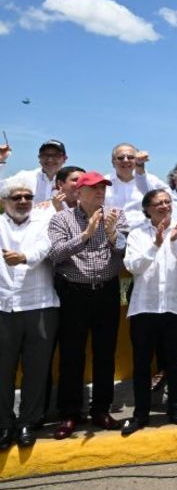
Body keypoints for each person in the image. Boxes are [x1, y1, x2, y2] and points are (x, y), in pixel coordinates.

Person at [47, 171, 128, 439]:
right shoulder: (62, 218)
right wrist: (86, 234)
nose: (100, 193)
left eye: (103, 188)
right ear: (78, 193)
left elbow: (123, 253)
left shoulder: (115, 215)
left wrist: (113, 234)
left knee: (105, 353)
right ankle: (70, 413)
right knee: (72, 354)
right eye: (93, 189)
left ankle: (101, 409)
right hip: (74, 293)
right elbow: (56, 255)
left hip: (106, 292)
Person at [121, 190, 177, 435]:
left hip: (175, 306)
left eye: (167, 202)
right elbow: (133, 267)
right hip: (145, 307)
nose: (164, 206)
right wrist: (156, 243)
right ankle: (140, 414)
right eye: (158, 203)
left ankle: (176, 409)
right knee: (142, 364)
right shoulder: (137, 234)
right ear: (148, 209)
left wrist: (174, 242)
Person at [0, 181, 59, 449]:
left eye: (28, 196)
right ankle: (3, 423)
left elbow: (44, 248)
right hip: (4, 306)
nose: (23, 201)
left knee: (37, 369)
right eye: (16, 197)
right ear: (4, 201)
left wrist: (24, 257)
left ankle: (28, 422)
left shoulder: (43, 222)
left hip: (40, 304)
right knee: (3, 369)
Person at [106, 143, 168, 228]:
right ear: (113, 162)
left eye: (130, 157)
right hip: (112, 234)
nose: (125, 160)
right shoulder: (103, 182)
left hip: (144, 233)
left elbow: (172, 201)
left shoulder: (152, 181)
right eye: (120, 158)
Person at [0, 139, 69, 204]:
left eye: (56, 155)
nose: (50, 159)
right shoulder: (25, 177)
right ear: (39, 158)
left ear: (65, 159)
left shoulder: (73, 180)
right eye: (45, 155)